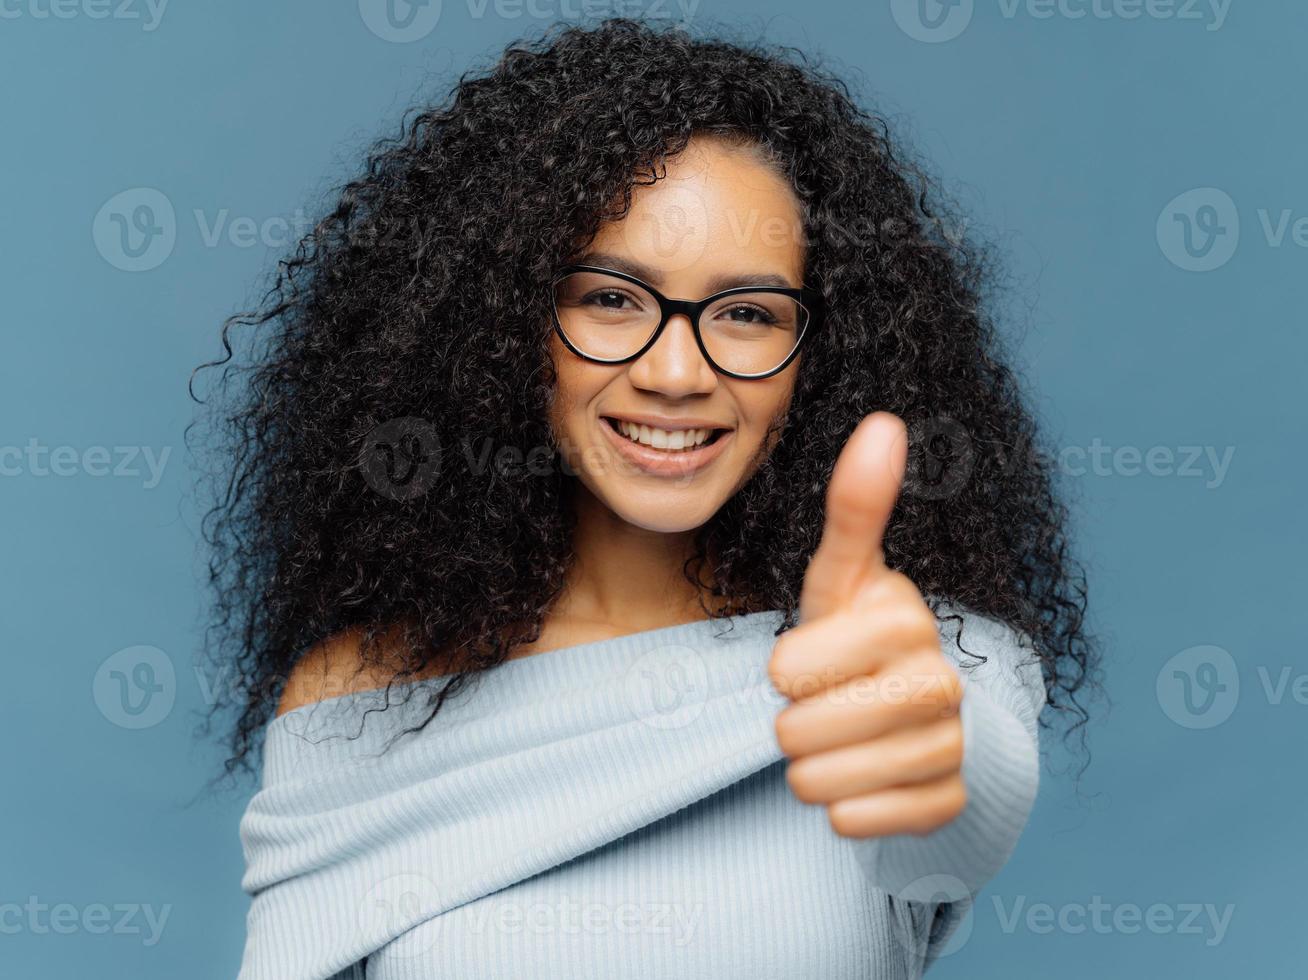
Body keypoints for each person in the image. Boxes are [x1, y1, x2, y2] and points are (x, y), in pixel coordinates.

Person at [194, 17, 1094, 979]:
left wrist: (941, 748)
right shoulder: (360, 696)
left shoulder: (915, 658)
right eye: (611, 299)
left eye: (746, 314)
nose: (676, 371)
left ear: (821, 363)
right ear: (499, 323)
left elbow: (957, 817)